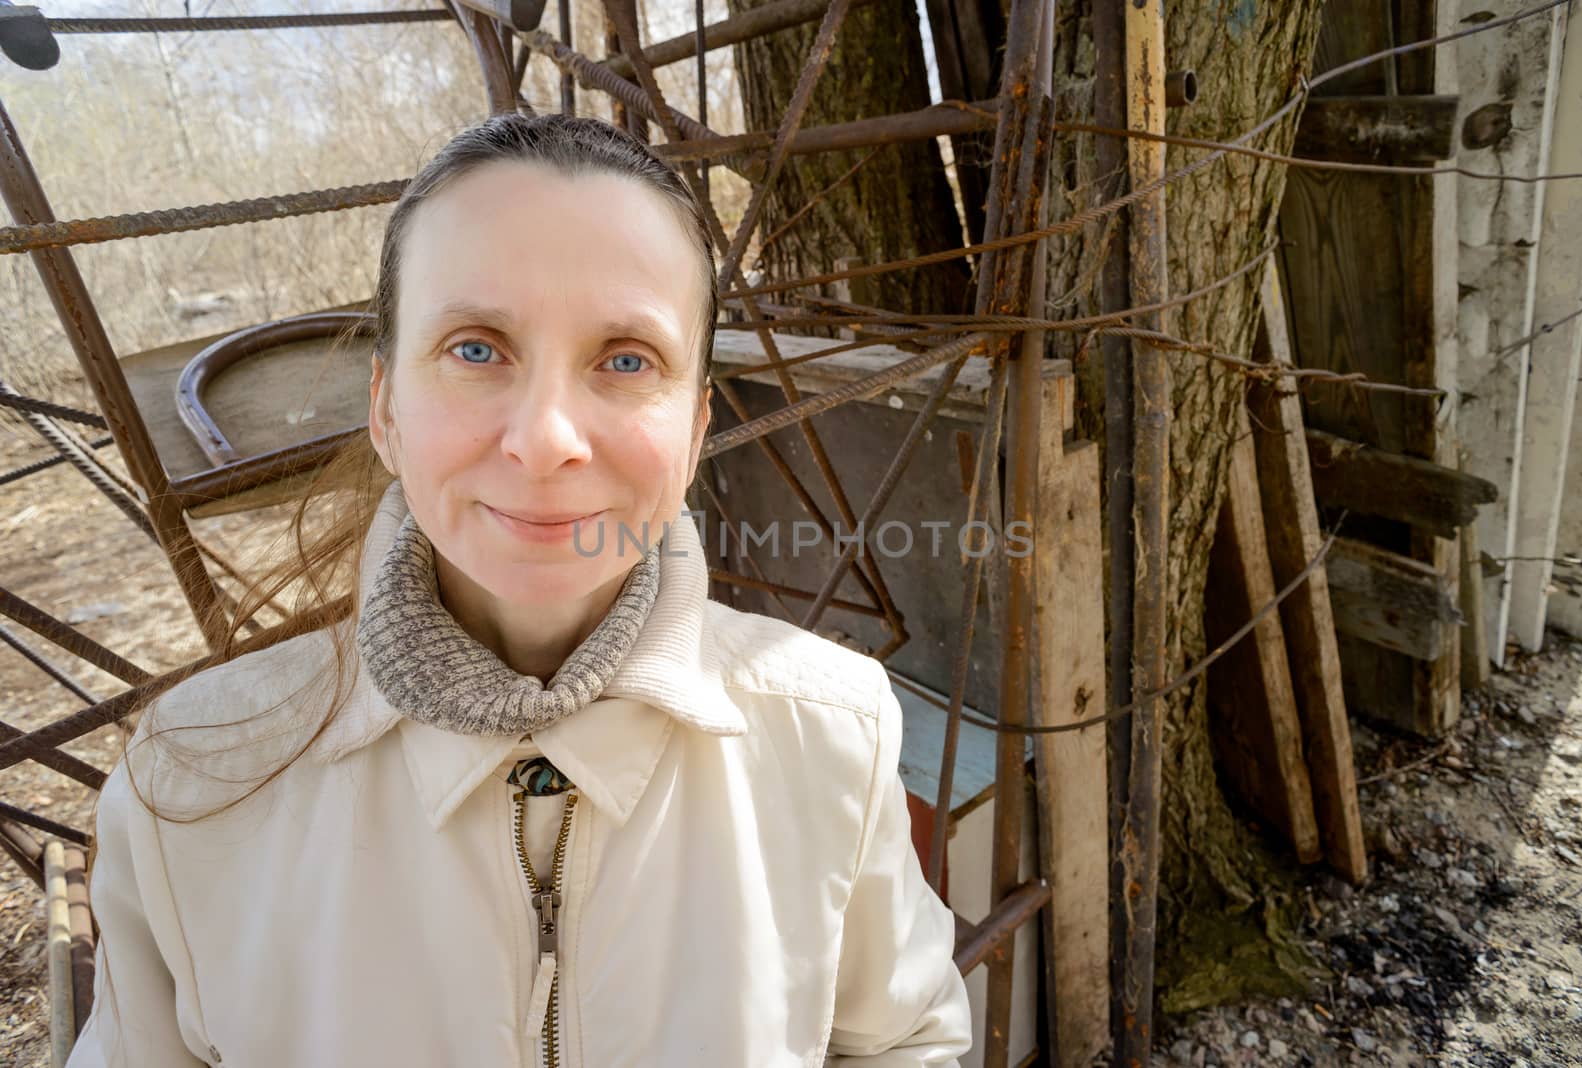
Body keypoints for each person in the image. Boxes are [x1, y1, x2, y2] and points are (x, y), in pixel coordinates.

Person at [66, 112, 971, 1068]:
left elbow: (902, 1040)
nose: (545, 439)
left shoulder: (831, 735)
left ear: (698, 427)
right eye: (475, 348)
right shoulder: (193, 782)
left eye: (626, 360)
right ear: (385, 410)